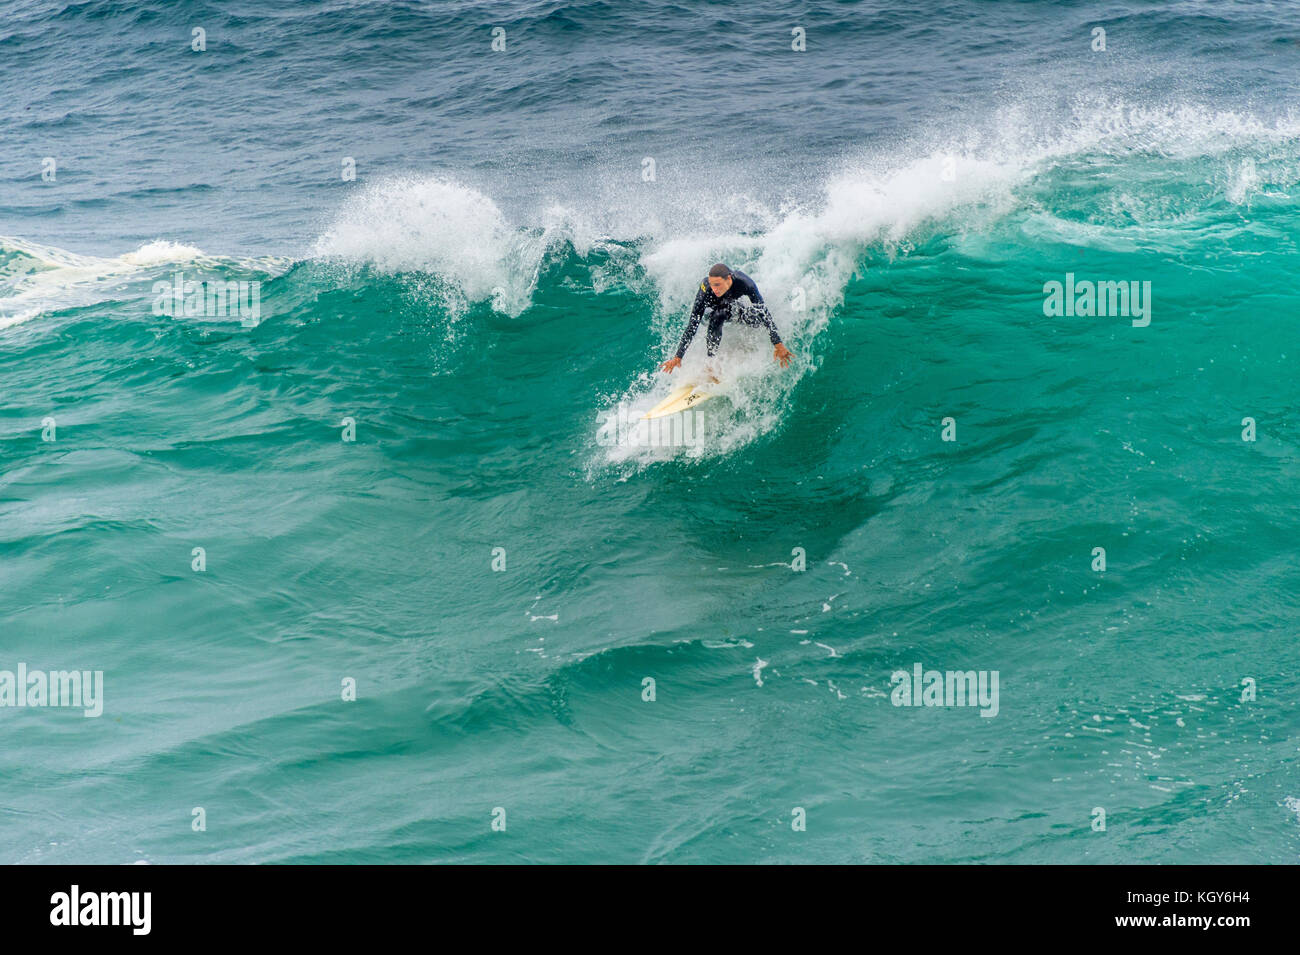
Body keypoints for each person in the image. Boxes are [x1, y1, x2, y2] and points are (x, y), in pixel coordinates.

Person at [660, 263, 792, 374]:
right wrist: (678, 356)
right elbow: (693, 324)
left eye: (717, 284)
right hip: (712, 316)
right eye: (712, 284)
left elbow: (763, 312)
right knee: (719, 314)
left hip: (732, 308)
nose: (714, 289)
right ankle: (711, 364)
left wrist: (778, 344)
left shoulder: (745, 283)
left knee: (756, 318)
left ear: (729, 279)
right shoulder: (706, 289)